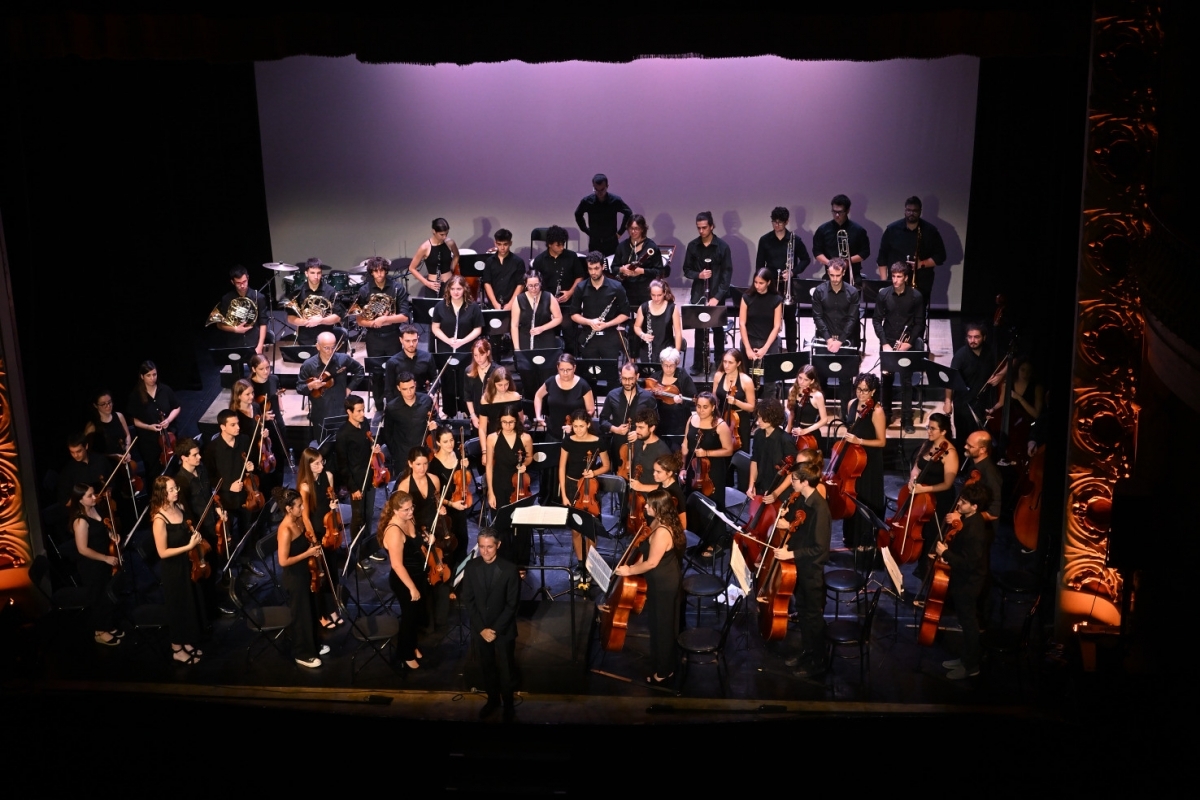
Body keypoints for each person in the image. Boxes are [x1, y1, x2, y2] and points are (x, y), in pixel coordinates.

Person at [613, 489, 684, 685]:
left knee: (663, 627)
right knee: (658, 624)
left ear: (658, 508)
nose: (644, 506)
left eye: (648, 504)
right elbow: (646, 551)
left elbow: (652, 563)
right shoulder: (656, 522)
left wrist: (630, 571)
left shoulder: (662, 531)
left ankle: (664, 671)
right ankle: (664, 663)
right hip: (659, 582)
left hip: (664, 585)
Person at [774, 461, 832, 677]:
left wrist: (791, 553)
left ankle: (819, 662)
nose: (792, 484)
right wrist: (786, 522)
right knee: (805, 616)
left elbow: (820, 548)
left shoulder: (820, 508)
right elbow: (797, 526)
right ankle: (808, 652)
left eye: (795, 481)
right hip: (800, 568)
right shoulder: (803, 501)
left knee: (813, 619)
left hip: (811, 572)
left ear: (805, 482)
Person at [934, 481, 993, 680]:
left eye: (964, 502)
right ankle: (965, 659)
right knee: (965, 623)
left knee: (969, 626)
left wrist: (946, 553)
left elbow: (969, 563)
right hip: (964, 580)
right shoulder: (969, 521)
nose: (959, 504)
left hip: (969, 583)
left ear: (975, 507)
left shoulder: (974, 530)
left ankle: (971, 666)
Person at [461, 527, 521, 720]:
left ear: (498, 545)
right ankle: (492, 700)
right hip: (481, 629)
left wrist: (493, 629)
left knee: (506, 669)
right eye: (481, 547)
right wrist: (481, 629)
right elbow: (468, 600)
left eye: (489, 547)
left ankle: (509, 705)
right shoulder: (471, 567)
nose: (485, 551)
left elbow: (512, 605)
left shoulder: (510, 569)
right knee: (487, 667)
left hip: (502, 630)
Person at [150, 476, 206, 664]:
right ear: (162, 493)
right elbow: (162, 552)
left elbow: (185, 534)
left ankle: (186, 640)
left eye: (176, 488)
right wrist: (189, 547)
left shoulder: (179, 507)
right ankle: (176, 648)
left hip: (187, 564)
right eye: (172, 489)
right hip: (173, 569)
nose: (176, 492)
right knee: (177, 607)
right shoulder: (159, 519)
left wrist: (194, 537)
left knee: (189, 604)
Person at [379, 490, 433, 670]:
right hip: (404, 580)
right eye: (406, 510)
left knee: (416, 615)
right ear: (395, 510)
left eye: (411, 508)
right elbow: (397, 565)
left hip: (418, 575)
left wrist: (427, 539)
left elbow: (417, 543)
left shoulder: (409, 520)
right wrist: (412, 588)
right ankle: (405, 653)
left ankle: (412, 645)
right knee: (409, 617)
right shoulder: (394, 531)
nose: (410, 513)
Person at [274, 487, 327, 668]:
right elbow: (283, 561)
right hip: (295, 578)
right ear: (289, 509)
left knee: (311, 611)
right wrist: (308, 553)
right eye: (298, 506)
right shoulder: (285, 530)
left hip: (306, 573)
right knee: (301, 615)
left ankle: (313, 645)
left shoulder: (299, 521)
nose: (302, 508)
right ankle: (302, 653)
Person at [906, 413, 960, 580]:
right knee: (920, 531)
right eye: (928, 427)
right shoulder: (927, 445)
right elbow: (917, 466)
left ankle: (929, 575)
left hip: (939, 500)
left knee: (931, 535)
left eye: (932, 428)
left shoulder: (950, 453)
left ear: (943, 431)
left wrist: (924, 489)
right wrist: (912, 480)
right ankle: (921, 566)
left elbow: (947, 484)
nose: (929, 431)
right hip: (922, 497)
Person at [874, 262, 926, 432]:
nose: (895, 280)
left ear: (906, 277)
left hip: (906, 344)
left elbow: (919, 323)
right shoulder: (884, 295)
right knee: (886, 381)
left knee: (906, 382)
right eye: (893, 276)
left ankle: (907, 419)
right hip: (888, 342)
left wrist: (908, 344)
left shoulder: (916, 296)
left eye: (898, 277)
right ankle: (887, 415)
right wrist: (885, 343)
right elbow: (876, 320)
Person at [67, 483, 122, 646]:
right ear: (81, 500)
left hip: (103, 558)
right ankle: (100, 631)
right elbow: (83, 549)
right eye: (90, 495)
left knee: (106, 594)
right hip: (92, 564)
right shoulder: (80, 521)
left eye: (93, 493)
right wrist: (105, 558)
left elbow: (102, 529)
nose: (94, 497)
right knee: (98, 596)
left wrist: (113, 535)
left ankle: (107, 625)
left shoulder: (95, 509)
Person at [296, 447, 344, 629]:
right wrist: (314, 540)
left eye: (321, 461)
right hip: (315, 531)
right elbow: (306, 516)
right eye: (316, 463)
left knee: (332, 571)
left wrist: (333, 505)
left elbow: (329, 501)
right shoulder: (305, 486)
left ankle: (332, 608)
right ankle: (321, 613)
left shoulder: (328, 476)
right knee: (320, 575)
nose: (321, 465)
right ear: (308, 466)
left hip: (329, 529)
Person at [559, 409, 610, 574]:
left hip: (590, 488)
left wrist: (593, 473)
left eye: (581, 426)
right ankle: (581, 564)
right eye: (575, 426)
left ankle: (592, 563)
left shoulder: (598, 441)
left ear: (588, 424)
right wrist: (564, 495)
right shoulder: (568, 441)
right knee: (576, 530)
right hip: (572, 486)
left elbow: (607, 466)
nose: (578, 430)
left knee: (591, 529)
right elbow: (561, 468)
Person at [876, 196, 947, 313]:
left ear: (920, 211)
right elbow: (882, 257)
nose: (911, 213)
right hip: (896, 280)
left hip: (921, 280)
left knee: (918, 314)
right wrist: (885, 283)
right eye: (909, 210)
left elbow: (941, 256)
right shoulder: (892, 229)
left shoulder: (930, 231)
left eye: (915, 211)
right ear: (905, 210)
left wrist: (921, 264)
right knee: (894, 313)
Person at [755, 206, 812, 352]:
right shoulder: (765, 240)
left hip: (788, 286)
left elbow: (806, 259)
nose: (776, 225)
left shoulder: (795, 240)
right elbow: (760, 265)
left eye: (780, 222)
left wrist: (793, 272)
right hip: (771, 285)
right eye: (774, 222)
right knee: (769, 320)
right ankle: (769, 350)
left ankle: (792, 352)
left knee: (790, 319)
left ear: (786, 222)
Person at [683, 211, 733, 374]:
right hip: (699, 294)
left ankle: (719, 362)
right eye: (699, 228)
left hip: (717, 294)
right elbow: (686, 270)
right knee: (699, 329)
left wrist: (717, 297)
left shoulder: (722, 247)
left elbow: (727, 274)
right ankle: (698, 363)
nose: (701, 231)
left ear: (712, 226)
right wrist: (699, 275)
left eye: (704, 228)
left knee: (718, 329)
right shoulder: (692, 246)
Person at [840, 374, 887, 548]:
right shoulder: (852, 404)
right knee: (852, 495)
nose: (861, 393)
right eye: (858, 389)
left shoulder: (877, 411)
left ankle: (866, 540)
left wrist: (859, 441)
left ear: (873, 391)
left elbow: (882, 442)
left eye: (865, 390)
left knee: (866, 497)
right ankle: (851, 537)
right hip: (853, 460)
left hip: (869, 462)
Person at [485, 407, 534, 566]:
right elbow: (489, 467)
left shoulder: (525, 437)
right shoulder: (492, 438)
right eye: (504, 422)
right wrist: (491, 493)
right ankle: (504, 562)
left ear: (516, 421)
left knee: (523, 525)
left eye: (511, 422)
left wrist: (525, 464)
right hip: (499, 483)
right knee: (501, 524)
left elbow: (529, 457)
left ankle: (521, 563)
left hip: (519, 484)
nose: (508, 425)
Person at [430, 275, 483, 416]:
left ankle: (466, 411)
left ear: (464, 289)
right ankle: (449, 411)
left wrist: (462, 341)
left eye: (459, 289)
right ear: (448, 290)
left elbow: (478, 329)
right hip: (446, 349)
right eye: (453, 289)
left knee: (465, 382)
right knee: (447, 382)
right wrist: (448, 340)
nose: (456, 292)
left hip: (466, 350)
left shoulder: (473, 307)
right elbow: (435, 327)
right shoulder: (440, 306)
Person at [296, 331, 365, 440]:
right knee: (324, 446)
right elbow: (299, 388)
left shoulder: (343, 359)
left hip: (342, 411)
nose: (330, 351)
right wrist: (311, 386)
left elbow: (360, 371)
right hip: (321, 413)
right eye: (326, 348)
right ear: (318, 346)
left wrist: (349, 388)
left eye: (333, 347)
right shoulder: (308, 365)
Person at [203, 409, 257, 547]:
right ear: (222, 427)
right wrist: (228, 486)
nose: (238, 427)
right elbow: (209, 476)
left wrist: (251, 467)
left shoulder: (244, 440)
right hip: (226, 499)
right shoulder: (212, 449)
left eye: (237, 424)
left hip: (246, 495)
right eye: (233, 425)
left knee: (247, 529)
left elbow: (252, 461)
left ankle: (247, 560)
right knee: (228, 534)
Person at [682, 391, 735, 521]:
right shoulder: (691, 419)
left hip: (713, 471)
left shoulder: (720, 425)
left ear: (713, 407)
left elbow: (729, 450)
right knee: (692, 502)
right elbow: (685, 445)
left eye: (705, 407)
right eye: (698, 406)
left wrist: (706, 453)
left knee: (712, 504)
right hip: (694, 469)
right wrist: (683, 467)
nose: (701, 410)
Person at [945, 322, 1000, 447]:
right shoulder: (961, 355)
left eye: (976, 337)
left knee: (981, 441)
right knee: (963, 440)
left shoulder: (989, 353)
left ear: (984, 337)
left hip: (983, 404)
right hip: (963, 405)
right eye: (970, 337)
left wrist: (1000, 375)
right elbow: (950, 380)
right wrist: (948, 402)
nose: (972, 340)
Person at [335, 395, 380, 543]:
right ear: (349, 412)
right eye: (359, 411)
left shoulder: (365, 423)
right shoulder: (343, 434)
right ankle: (357, 549)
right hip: (356, 480)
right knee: (358, 516)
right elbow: (342, 464)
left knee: (369, 513)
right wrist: (353, 488)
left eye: (363, 410)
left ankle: (367, 545)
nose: (363, 414)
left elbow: (369, 443)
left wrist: (374, 447)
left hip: (371, 475)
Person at [569, 252, 630, 360]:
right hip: (588, 336)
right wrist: (590, 322)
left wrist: (606, 324)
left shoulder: (616, 287)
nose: (593, 272)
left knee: (611, 374)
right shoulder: (580, 287)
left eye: (596, 268)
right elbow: (574, 314)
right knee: (589, 373)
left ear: (603, 267)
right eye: (590, 269)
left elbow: (625, 314)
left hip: (609, 336)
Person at [126, 360, 181, 477]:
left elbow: (177, 407)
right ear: (142, 376)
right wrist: (148, 427)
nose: (152, 378)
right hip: (149, 441)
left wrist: (168, 420)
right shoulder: (136, 396)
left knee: (174, 467)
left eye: (154, 374)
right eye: (148, 375)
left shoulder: (165, 390)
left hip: (169, 438)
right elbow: (133, 419)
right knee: (154, 471)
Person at [429, 426, 472, 566]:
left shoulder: (459, 457)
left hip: (461, 504)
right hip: (446, 510)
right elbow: (434, 495)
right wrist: (452, 504)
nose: (450, 444)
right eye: (445, 441)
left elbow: (464, 480)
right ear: (438, 443)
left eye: (452, 440)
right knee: (450, 546)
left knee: (463, 540)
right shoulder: (434, 465)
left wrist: (466, 467)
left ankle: (462, 573)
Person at [352, 255, 411, 358]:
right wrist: (374, 323)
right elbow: (359, 320)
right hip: (373, 337)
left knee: (394, 369)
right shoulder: (363, 290)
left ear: (386, 270)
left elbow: (405, 316)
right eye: (375, 271)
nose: (379, 274)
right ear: (371, 272)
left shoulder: (398, 288)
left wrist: (385, 319)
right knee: (375, 370)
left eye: (381, 270)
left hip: (393, 336)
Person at [599, 362, 655, 469]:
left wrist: (640, 433)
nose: (627, 382)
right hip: (618, 445)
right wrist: (615, 429)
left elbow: (655, 423)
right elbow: (602, 420)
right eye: (624, 379)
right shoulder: (612, 395)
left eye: (631, 379)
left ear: (637, 377)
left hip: (641, 445)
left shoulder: (648, 397)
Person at [383, 371, 437, 477]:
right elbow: (387, 434)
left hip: (425, 452)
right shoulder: (392, 407)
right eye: (405, 389)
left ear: (415, 384)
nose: (409, 392)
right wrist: (396, 453)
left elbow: (436, 418)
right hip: (403, 456)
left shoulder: (426, 400)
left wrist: (435, 424)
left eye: (412, 387)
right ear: (398, 388)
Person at [533, 353, 595, 442]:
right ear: (557, 368)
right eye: (562, 370)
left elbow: (591, 410)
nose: (565, 373)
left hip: (576, 434)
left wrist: (576, 426)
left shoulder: (583, 385)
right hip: (553, 432)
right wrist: (538, 416)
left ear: (574, 368)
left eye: (569, 370)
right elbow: (538, 396)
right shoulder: (551, 381)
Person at [812, 194, 870, 285]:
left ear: (847, 211)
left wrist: (846, 262)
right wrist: (830, 264)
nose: (837, 215)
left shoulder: (858, 230)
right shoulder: (823, 230)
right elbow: (817, 251)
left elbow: (865, 252)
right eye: (834, 212)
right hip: (830, 274)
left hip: (852, 274)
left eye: (840, 212)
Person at [747, 399, 798, 502]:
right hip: (762, 486)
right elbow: (755, 459)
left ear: (772, 417)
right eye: (758, 416)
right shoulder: (758, 435)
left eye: (763, 417)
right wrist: (751, 484)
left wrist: (776, 493)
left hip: (780, 492)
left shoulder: (785, 440)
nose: (758, 421)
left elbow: (794, 472)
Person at [212, 265, 271, 355]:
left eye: (244, 281)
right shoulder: (227, 299)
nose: (242, 285)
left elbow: (263, 323)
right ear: (232, 282)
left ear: (248, 278)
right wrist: (235, 330)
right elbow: (219, 325)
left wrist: (260, 345)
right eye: (238, 283)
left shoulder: (258, 297)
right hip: (234, 343)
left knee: (255, 369)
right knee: (236, 369)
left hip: (254, 342)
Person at [287, 258, 345, 346]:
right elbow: (290, 318)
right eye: (312, 273)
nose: (316, 276)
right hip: (305, 337)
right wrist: (306, 322)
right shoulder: (297, 292)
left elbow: (337, 317)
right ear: (306, 273)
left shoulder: (330, 291)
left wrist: (320, 320)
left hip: (326, 337)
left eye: (318, 273)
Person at [610, 213, 663, 309]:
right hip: (626, 287)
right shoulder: (622, 246)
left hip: (645, 289)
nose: (633, 231)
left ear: (642, 229)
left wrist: (641, 271)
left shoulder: (651, 247)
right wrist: (622, 269)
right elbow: (613, 268)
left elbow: (659, 271)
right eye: (631, 228)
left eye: (636, 228)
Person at [573, 173, 632, 256]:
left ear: (607, 186)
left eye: (602, 190)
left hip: (611, 241)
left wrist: (620, 232)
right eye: (596, 189)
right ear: (593, 186)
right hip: (595, 242)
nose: (599, 193)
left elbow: (628, 213)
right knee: (594, 266)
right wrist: (586, 230)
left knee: (612, 266)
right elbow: (578, 214)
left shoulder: (615, 200)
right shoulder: (587, 201)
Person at [83, 390, 137, 478]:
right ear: (95, 405)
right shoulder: (92, 426)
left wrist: (128, 450)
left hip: (124, 460)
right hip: (107, 465)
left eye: (109, 402)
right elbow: (90, 452)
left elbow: (127, 435)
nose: (108, 406)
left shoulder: (119, 416)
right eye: (103, 404)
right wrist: (113, 456)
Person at [811, 257, 861, 351]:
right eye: (832, 275)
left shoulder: (853, 292)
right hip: (825, 339)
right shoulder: (819, 291)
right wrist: (829, 339)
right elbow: (817, 317)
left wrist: (840, 340)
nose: (835, 279)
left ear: (843, 273)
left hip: (846, 338)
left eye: (838, 275)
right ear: (828, 272)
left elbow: (852, 319)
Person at [713, 348, 756, 455]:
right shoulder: (718, 376)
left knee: (741, 452)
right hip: (721, 417)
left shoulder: (746, 380)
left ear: (738, 363)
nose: (726, 365)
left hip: (739, 420)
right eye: (724, 362)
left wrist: (736, 402)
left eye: (730, 362)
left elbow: (751, 407)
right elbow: (714, 398)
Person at [739, 268, 784, 368]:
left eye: (761, 283)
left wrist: (765, 348)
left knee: (770, 379)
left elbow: (777, 326)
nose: (757, 286)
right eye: (755, 282)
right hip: (750, 340)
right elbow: (742, 324)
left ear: (768, 282)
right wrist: (748, 348)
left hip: (769, 341)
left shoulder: (776, 299)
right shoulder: (746, 297)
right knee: (747, 376)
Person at [531, 224, 584, 306]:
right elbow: (535, 283)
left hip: (569, 301)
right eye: (558, 245)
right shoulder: (539, 260)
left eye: (563, 244)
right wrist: (547, 298)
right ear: (549, 244)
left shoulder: (572, 256)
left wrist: (570, 292)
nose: (562, 247)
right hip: (546, 303)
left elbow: (579, 276)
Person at [648, 347, 695, 439]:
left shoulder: (683, 377)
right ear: (661, 363)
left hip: (679, 421)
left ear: (677, 363)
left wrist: (682, 401)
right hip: (660, 420)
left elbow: (692, 399)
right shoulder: (654, 378)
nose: (668, 368)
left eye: (671, 365)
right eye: (665, 365)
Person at [406, 217, 460, 297]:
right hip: (433, 286)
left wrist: (451, 268)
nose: (444, 237)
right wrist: (427, 283)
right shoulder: (425, 247)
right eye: (441, 234)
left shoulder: (450, 243)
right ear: (434, 231)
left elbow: (456, 255)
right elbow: (411, 268)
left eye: (446, 234)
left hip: (449, 283)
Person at [633, 279, 682, 364]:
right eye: (653, 295)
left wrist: (676, 353)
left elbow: (678, 332)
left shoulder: (672, 308)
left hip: (667, 352)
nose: (656, 298)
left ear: (664, 293)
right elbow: (636, 326)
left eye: (659, 295)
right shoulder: (643, 307)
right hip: (647, 350)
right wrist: (642, 335)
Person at [512, 270, 563, 351]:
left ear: (541, 283)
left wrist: (542, 328)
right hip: (525, 338)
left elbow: (558, 318)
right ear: (525, 285)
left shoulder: (549, 296)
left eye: (536, 285)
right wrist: (517, 348)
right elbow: (514, 325)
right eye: (530, 286)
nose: (534, 289)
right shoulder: (519, 299)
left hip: (546, 337)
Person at [56, 434, 112, 506]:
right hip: (84, 512)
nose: (75, 455)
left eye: (79, 451)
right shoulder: (68, 471)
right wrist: (85, 501)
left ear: (86, 446)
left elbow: (111, 481)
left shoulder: (100, 460)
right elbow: (64, 500)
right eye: (72, 452)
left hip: (105, 505)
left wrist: (109, 491)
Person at [961, 430, 1002, 527]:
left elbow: (994, 513)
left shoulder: (991, 474)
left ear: (983, 449)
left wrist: (964, 518)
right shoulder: (974, 465)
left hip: (980, 529)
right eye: (966, 443)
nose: (965, 447)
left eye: (970, 446)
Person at [384, 324, 436, 400]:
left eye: (414, 340)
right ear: (401, 340)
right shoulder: (392, 362)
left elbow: (435, 378)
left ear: (418, 339)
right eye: (407, 341)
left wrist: (432, 392)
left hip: (422, 398)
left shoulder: (427, 357)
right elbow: (389, 389)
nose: (411, 344)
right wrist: (392, 407)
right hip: (400, 400)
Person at [786, 365, 832, 451]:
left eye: (806, 380)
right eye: (800, 378)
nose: (801, 382)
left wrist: (805, 431)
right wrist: (787, 432)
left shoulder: (817, 395)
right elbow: (792, 414)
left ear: (812, 381)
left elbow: (824, 420)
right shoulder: (792, 390)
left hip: (810, 433)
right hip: (795, 431)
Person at [477, 365, 523, 448]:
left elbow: (521, 420)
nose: (503, 388)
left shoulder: (515, 397)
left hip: (514, 439)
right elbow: (482, 429)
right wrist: (484, 451)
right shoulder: (486, 400)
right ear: (493, 384)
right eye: (500, 385)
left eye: (506, 384)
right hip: (494, 441)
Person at [481, 228, 526, 312]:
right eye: (499, 244)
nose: (502, 248)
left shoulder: (518, 262)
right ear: (495, 243)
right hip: (494, 303)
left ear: (510, 243)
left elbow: (521, 284)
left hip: (513, 303)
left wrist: (511, 303)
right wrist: (495, 303)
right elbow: (487, 283)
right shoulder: (489, 261)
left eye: (505, 244)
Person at [463, 339, 497, 432]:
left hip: (495, 416)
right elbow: (467, 396)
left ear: (488, 353)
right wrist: (473, 416)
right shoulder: (468, 371)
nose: (478, 358)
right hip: (477, 416)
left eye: (481, 355)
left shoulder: (497, 370)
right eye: (475, 355)